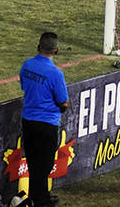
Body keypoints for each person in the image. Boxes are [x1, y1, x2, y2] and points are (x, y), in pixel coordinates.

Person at [20, 32, 69, 207]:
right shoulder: (56, 74)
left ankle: (38, 197)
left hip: (28, 121)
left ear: (38, 47)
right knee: (44, 164)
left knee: (33, 162)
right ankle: (40, 201)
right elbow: (63, 101)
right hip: (46, 124)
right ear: (57, 50)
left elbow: (24, 86)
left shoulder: (27, 65)